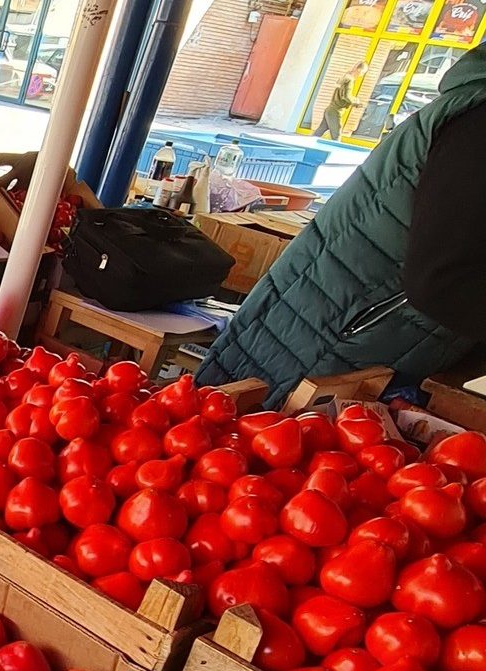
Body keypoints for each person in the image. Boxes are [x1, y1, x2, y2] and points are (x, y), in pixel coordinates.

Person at [195, 45, 486, 407]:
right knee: (225, 436)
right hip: (328, 342)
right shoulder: (479, 122)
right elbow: (440, 281)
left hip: (361, 343)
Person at [314, 61, 367, 140]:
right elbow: (346, 96)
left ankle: (305, 144)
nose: (361, 75)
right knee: (337, 135)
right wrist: (356, 102)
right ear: (359, 70)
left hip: (331, 109)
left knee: (319, 132)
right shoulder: (350, 80)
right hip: (336, 110)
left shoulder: (345, 77)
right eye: (362, 73)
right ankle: (333, 151)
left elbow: (341, 92)